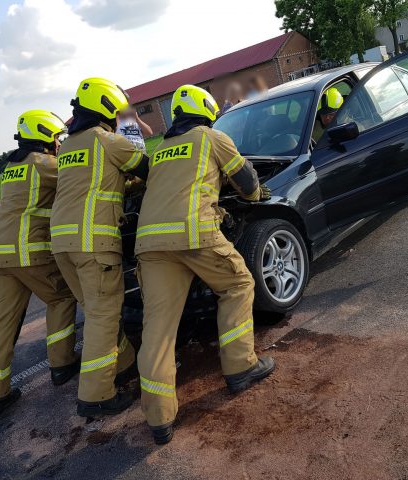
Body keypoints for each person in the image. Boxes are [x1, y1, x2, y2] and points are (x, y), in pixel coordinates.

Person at [134, 84, 275, 445]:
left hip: (150, 243)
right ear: (207, 110)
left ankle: (159, 420)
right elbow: (246, 181)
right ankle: (241, 366)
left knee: (159, 328)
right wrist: (258, 196)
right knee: (238, 284)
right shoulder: (210, 137)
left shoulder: (161, 149)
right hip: (193, 233)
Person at [51, 77, 149, 418]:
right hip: (93, 243)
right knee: (104, 318)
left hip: (62, 244)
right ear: (107, 107)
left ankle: (123, 367)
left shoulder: (68, 146)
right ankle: (95, 397)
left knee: (96, 314)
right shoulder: (105, 140)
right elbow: (147, 170)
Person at [0, 110, 80, 423]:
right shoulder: (45, 164)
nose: (59, 144)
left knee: (4, 321)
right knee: (61, 297)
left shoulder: (12, 167)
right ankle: (62, 364)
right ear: (45, 136)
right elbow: (81, 180)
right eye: (55, 138)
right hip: (28, 250)